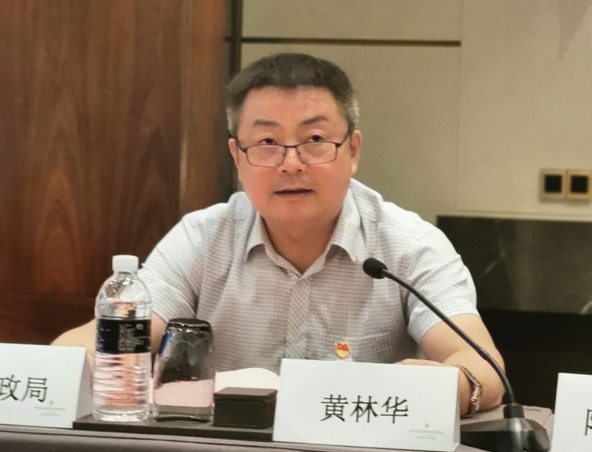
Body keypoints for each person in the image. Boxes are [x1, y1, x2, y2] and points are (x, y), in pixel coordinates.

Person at [53, 53, 505, 416]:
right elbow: (102, 339)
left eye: (315, 140)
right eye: (267, 143)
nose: (291, 163)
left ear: (352, 151)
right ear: (238, 156)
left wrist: (446, 387)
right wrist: (78, 363)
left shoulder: (408, 244)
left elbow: (482, 365)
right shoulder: (202, 239)